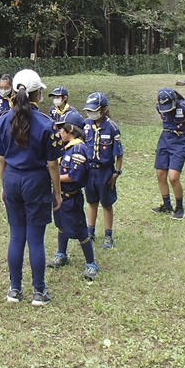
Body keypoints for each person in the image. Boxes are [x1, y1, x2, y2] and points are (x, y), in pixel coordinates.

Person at [0, 69, 62, 307]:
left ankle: (14, 289)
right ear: (38, 94)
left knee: (16, 236)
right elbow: (52, 163)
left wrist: (3, 185)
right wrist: (57, 191)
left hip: (12, 179)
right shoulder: (47, 124)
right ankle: (38, 291)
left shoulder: (3, 120)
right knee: (35, 239)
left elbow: (1, 159)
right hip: (35, 181)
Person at [47, 111, 99, 280]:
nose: (59, 132)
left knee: (80, 230)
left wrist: (51, 177)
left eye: (61, 129)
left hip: (71, 197)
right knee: (61, 225)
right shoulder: (65, 147)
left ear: (70, 129)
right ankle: (61, 254)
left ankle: (91, 263)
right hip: (59, 195)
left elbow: (73, 176)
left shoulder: (79, 148)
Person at [151, 88, 185, 221]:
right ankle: (166, 205)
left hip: (179, 141)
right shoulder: (159, 107)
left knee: (173, 177)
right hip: (165, 138)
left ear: (174, 100)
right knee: (160, 173)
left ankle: (179, 208)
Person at [83, 92, 124, 250]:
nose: (91, 112)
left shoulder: (112, 127)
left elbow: (119, 154)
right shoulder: (86, 125)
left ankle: (108, 235)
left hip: (105, 171)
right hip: (89, 171)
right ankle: (90, 232)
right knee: (91, 202)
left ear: (104, 109)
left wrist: (116, 173)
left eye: (95, 109)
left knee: (106, 203)